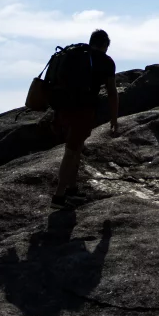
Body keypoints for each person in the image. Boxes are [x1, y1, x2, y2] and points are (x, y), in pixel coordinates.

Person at [52, 29, 118, 206]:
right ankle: (58, 197)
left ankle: (72, 190)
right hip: (82, 110)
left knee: (77, 147)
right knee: (71, 151)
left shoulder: (75, 55)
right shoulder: (105, 61)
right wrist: (114, 118)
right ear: (105, 45)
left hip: (62, 107)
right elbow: (112, 92)